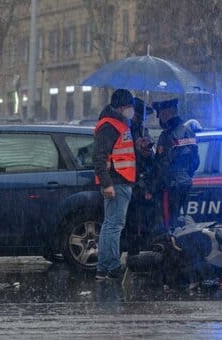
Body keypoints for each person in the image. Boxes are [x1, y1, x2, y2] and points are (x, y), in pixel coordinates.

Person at [93, 89, 136, 280]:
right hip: (116, 181)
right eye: (129, 107)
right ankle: (112, 266)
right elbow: (99, 156)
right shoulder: (110, 126)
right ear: (121, 107)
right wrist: (107, 183)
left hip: (119, 180)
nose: (131, 111)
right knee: (114, 225)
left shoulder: (117, 124)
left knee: (109, 224)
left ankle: (103, 267)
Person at [149, 98, 199, 232]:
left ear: (167, 114)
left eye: (160, 114)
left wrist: (152, 188)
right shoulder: (188, 131)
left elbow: (162, 165)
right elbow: (195, 162)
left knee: (169, 222)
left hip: (170, 186)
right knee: (180, 220)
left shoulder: (169, 135)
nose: (160, 118)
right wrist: (185, 175)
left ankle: (171, 249)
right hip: (184, 183)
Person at [125, 98, 156, 255]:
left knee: (141, 220)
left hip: (141, 181)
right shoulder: (127, 130)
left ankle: (139, 250)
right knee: (133, 221)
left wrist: (147, 150)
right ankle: (134, 251)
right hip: (132, 180)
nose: (141, 118)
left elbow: (150, 157)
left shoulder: (143, 131)